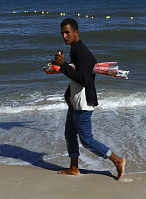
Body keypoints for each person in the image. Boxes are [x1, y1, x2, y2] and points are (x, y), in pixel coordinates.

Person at [51, 18, 126, 179]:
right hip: (75, 101)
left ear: (76, 32)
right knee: (70, 134)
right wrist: (68, 93)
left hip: (83, 103)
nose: (64, 36)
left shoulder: (81, 51)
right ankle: (74, 167)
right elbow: (77, 76)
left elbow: (85, 79)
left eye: (67, 32)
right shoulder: (74, 49)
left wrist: (63, 65)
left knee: (87, 140)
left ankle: (117, 160)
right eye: (62, 33)